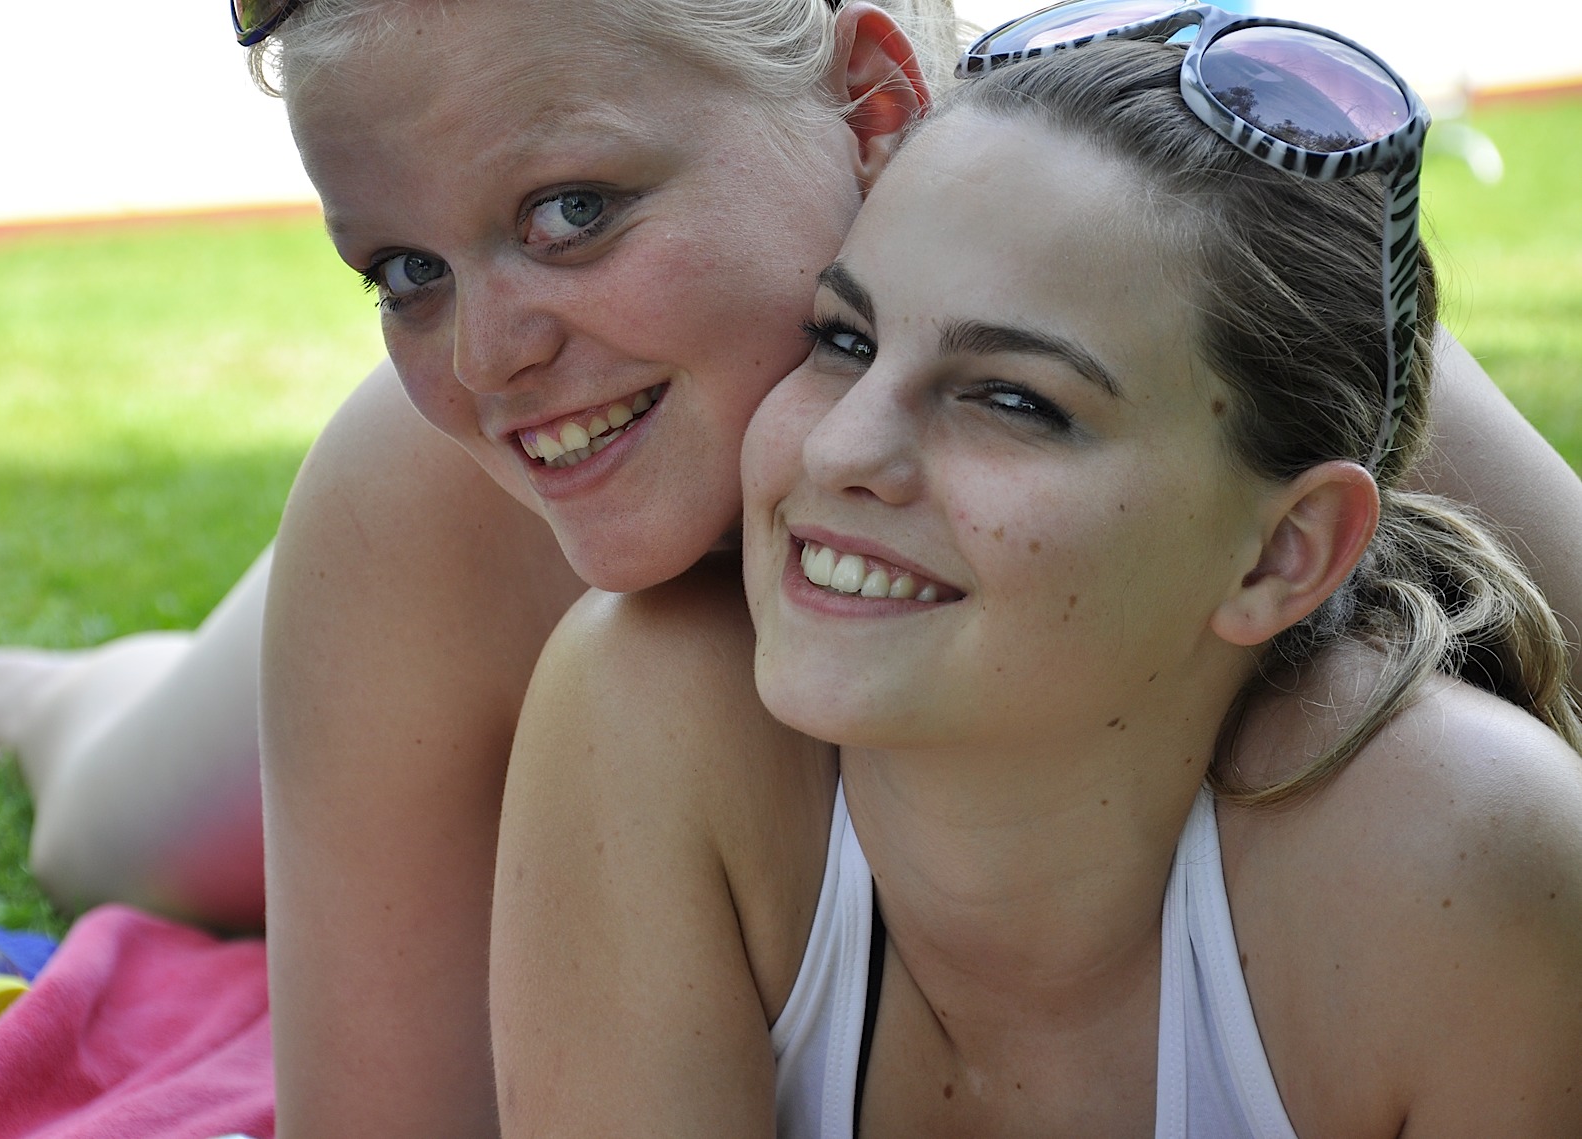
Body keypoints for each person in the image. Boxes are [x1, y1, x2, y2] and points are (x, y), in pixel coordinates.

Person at [0, 0, 1582, 1134]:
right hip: (455, 594)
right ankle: (70, 691)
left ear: (874, 102)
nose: (486, 353)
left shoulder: (1191, 294)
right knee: (120, 819)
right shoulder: (433, 490)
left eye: (573, 210)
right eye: (400, 269)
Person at [490, 19, 1582, 1138]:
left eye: (1012, 398)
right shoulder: (646, 711)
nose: (838, 447)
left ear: (1281, 551)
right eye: (844, 338)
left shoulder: (1453, 862)